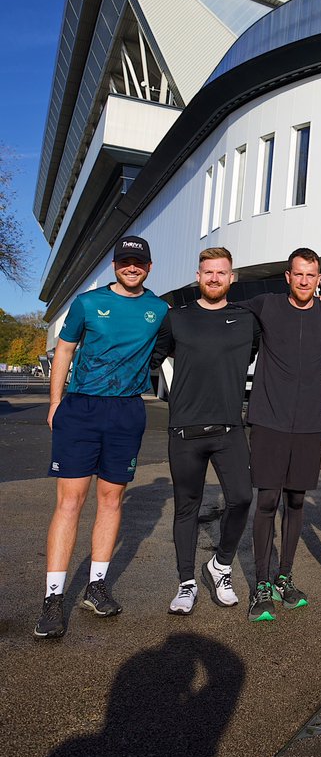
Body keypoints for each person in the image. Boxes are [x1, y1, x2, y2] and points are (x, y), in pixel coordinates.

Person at [34, 235, 168, 638]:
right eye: (125, 262)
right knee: (70, 502)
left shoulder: (159, 309)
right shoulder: (87, 303)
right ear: (115, 265)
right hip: (82, 408)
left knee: (111, 501)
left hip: (126, 411)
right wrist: (55, 402)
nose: (132, 268)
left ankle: (96, 587)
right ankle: (53, 598)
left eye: (139, 263)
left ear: (149, 266)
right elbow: (64, 350)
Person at [241, 249, 321, 622]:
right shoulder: (266, 305)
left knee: (297, 500)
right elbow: (224, 312)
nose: (304, 281)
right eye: (298, 274)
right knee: (268, 499)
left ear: (319, 279)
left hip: (307, 422)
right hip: (269, 419)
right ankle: (261, 584)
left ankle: (284, 577)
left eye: (311, 275)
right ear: (288, 276)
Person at [151, 247, 258, 616]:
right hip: (184, 429)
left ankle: (220, 566)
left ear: (232, 278)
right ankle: (186, 583)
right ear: (198, 276)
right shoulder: (175, 318)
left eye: (221, 272)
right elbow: (151, 357)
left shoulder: (246, 320)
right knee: (187, 507)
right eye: (208, 272)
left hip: (229, 428)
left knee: (241, 498)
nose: (214, 278)